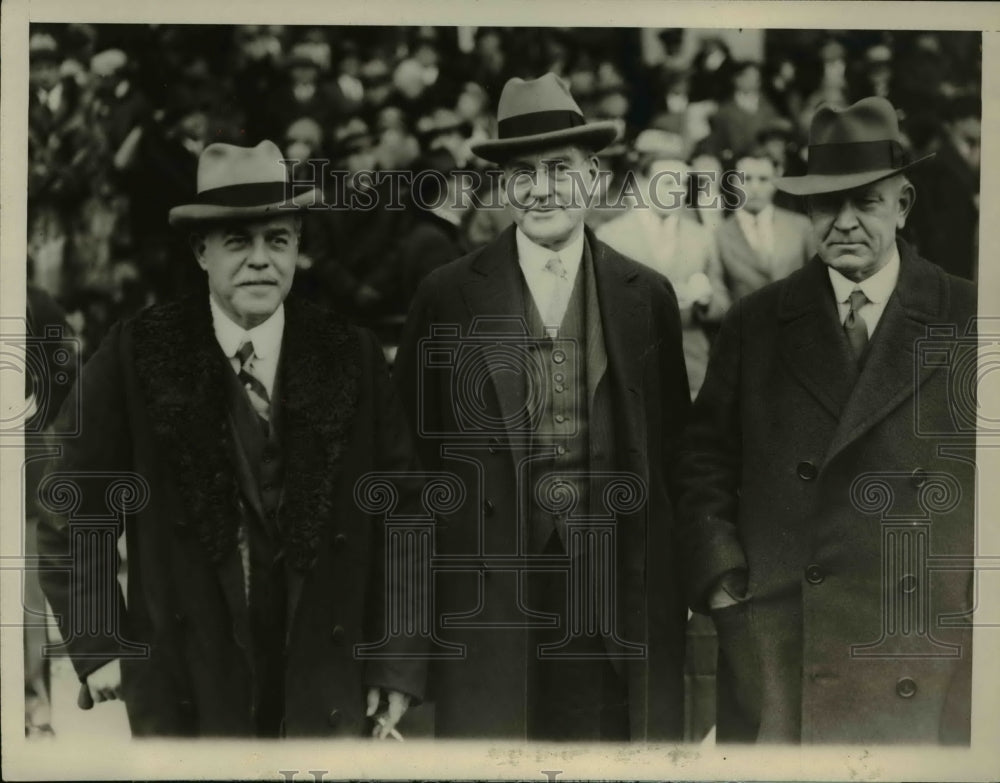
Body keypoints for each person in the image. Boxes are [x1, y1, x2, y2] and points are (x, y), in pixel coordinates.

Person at [38, 140, 427, 738]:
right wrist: (99, 643)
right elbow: (68, 504)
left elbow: (404, 517)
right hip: (187, 686)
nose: (260, 261)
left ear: (298, 247)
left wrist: (396, 664)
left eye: (277, 240)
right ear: (201, 251)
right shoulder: (138, 352)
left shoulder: (352, 356)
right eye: (237, 241)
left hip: (324, 681)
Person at [395, 73, 691, 741]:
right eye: (521, 172)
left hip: (615, 601)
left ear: (593, 175)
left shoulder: (647, 297)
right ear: (501, 187)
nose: (542, 188)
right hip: (489, 610)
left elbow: (675, 453)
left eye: (561, 167)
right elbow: (409, 465)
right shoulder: (446, 295)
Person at [674, 97, 976, 744]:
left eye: (865, 202)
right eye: (825, 205)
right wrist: (725, 585)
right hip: (780, 643)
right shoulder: (757, 322)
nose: (844, 223)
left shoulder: (966, 317)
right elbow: (701, 464)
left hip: (927, 642)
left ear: (903, 204)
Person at [597, 130, 729, 398]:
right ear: (643, 184)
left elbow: (723, 302)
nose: (678, 192)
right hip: (631, 370)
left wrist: (706, 299)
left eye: (682, 183)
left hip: (691, 368)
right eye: (667, 183)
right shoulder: (610, 236)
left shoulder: (701, 235)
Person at [716, 147, 815, 301]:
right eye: (747, 179)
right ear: (733, 181)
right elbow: (719, 294)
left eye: (763, 179)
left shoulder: (802, 226)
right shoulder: (719, 234)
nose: (755, 188)